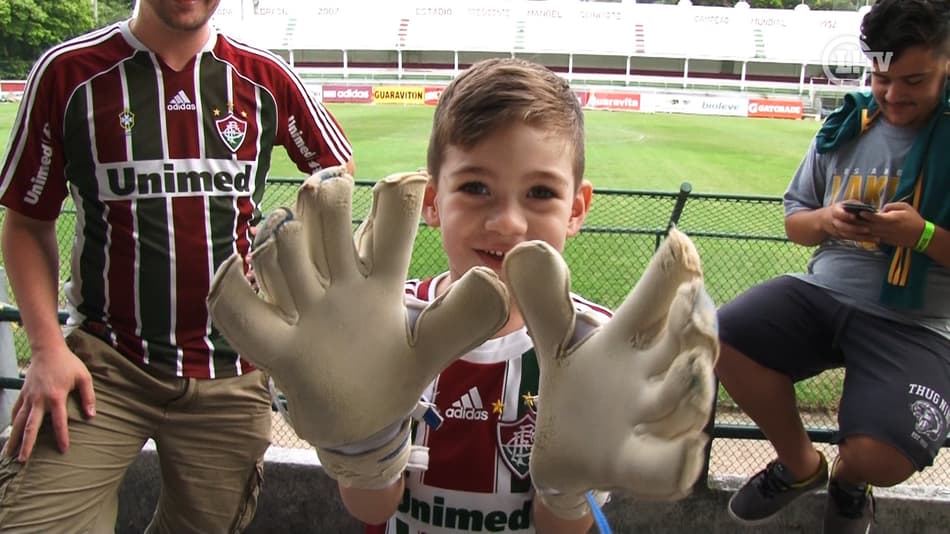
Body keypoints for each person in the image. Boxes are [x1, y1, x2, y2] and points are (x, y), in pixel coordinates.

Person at [207, 57, 719, 534]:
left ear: (577, 209)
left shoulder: (596, 346)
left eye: (540, 193)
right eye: (476, 187)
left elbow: (561, 527)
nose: (507, 223)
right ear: (431, 201)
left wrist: (568, 488)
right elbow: (371, 507)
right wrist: (363, 446)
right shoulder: (383, 325)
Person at [0, 0, 354, 531]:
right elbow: (28, 222)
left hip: (230, 373)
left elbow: (335, 173)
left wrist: (289, 265)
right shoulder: (69, 73)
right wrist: (47, 349)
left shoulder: (263, 76)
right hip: (105, 366)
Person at [716, 0, 950, 532]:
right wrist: (826, 220)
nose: (891, 94)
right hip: (822, 292)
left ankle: (850, 479)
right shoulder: (849, 122)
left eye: (913, 80)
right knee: (717, 336)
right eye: (880, 76)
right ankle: (801, 465)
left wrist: (923, 235)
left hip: (914, 322)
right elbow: (796, 221)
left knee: (881, 457)